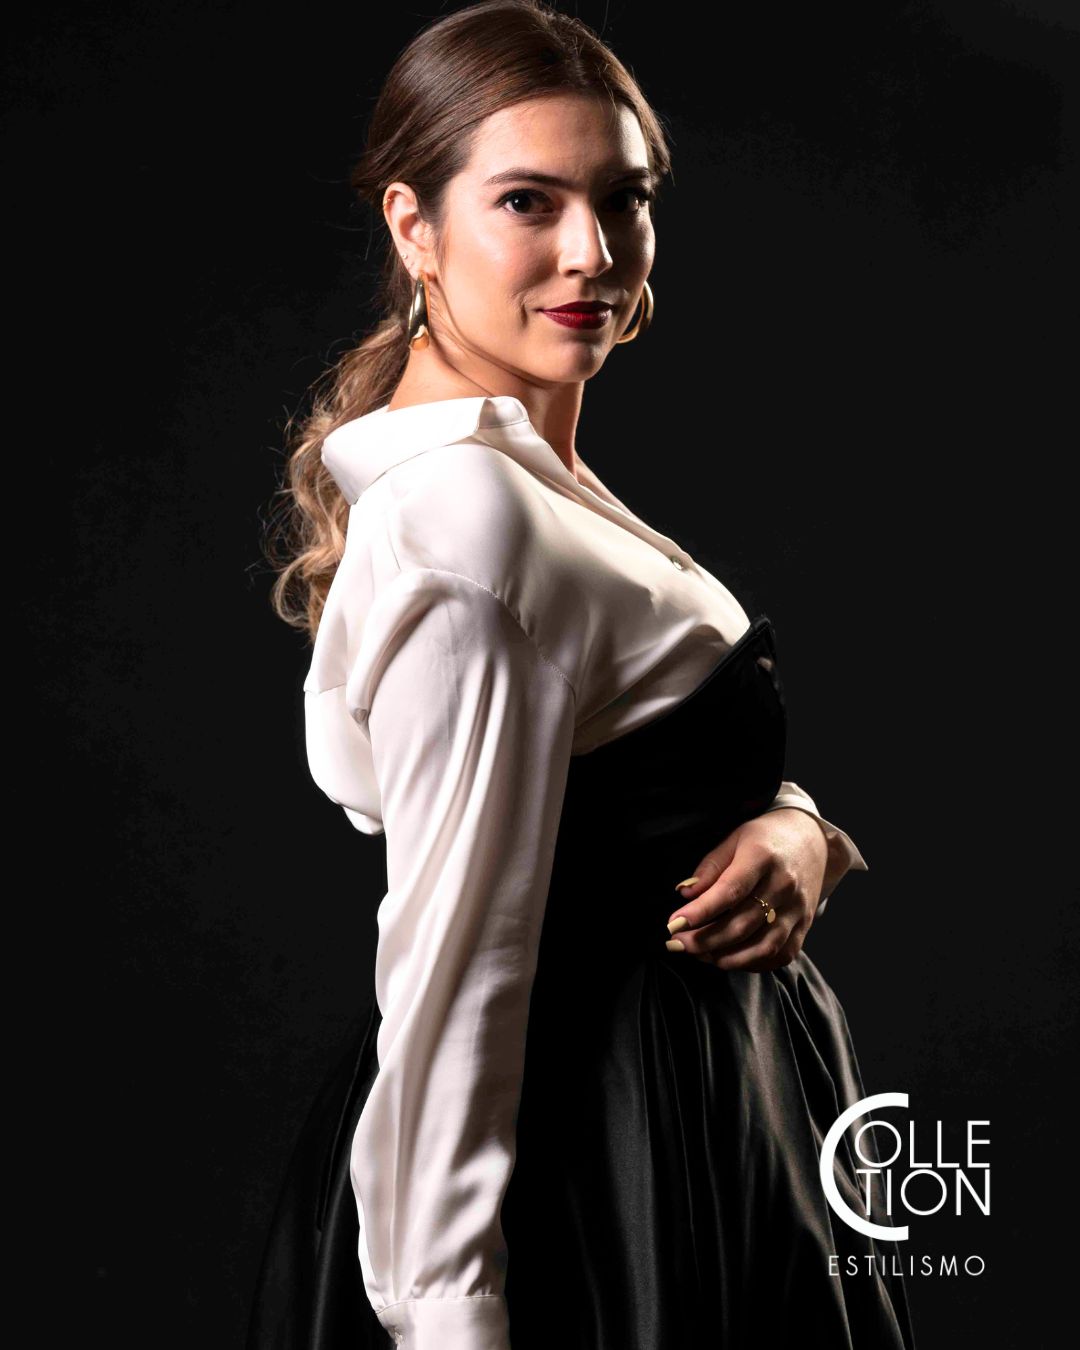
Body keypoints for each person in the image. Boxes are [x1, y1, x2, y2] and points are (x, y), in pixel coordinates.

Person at [250, 3, 918, 1348]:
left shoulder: (531, 481)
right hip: (596, 1179)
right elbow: (453, 975)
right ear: (412, 226)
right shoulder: (469, 518)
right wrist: (450, 1316)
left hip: (695, 1130)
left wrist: (800, 832)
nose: (592, 252)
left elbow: (629, 788)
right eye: (528, 201)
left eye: (625, 198)